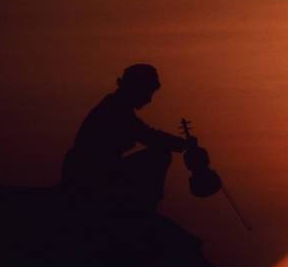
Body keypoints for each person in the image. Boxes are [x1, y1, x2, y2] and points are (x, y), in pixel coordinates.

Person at [61, 64, 195, 213]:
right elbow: (148, 136)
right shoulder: (116, 109)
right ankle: (144, 208)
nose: (149, 99)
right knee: (159, 156)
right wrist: (181, 144)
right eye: (148, 92)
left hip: (92, 171)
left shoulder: (117, 105)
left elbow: (145, 133)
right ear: (137, 88)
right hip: (90, 176)